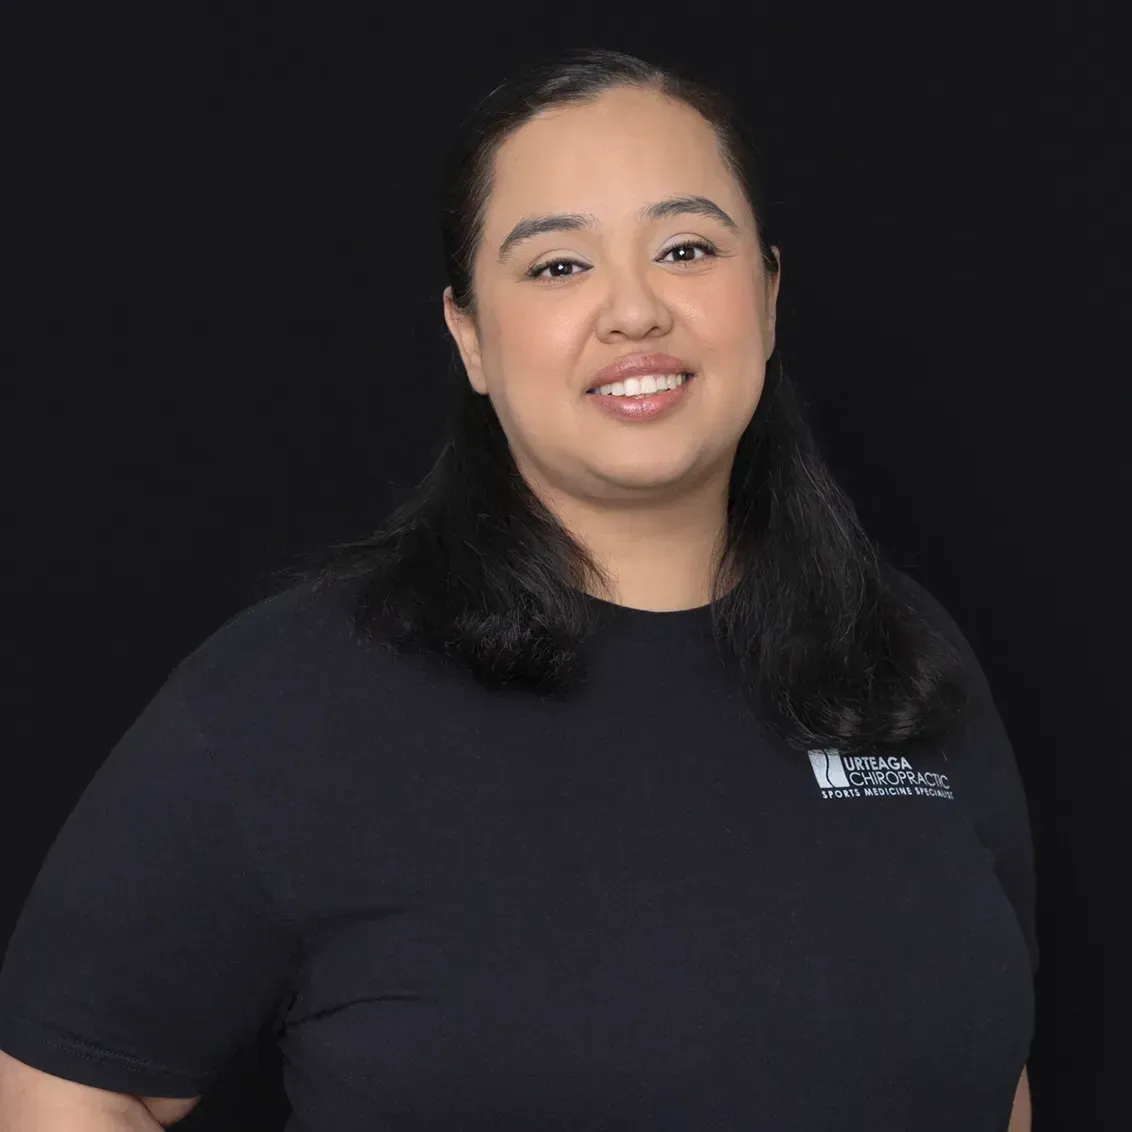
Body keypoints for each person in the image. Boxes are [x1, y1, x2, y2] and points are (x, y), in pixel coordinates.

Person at [0, 47, 1037, 1131]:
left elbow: (995, 1075)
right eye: (556, 267)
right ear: (470, 336)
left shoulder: (906, 659)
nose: (634, 311)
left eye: (685, 248)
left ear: (767, 297)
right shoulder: (292, 697)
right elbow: (70, 1087)